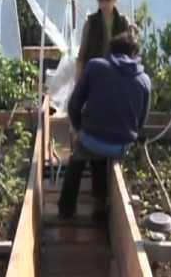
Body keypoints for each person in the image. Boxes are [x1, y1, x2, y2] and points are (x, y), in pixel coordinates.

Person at [58, 30, 151, 221]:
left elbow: (74, 103)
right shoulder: (144, 80)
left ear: (111, 50)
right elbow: (141, 121)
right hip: (121, 146)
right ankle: (100, 209)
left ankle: (66, 210)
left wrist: (78, 129)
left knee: (79, 157)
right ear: (134, 54)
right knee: (101, 151)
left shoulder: (95, 66)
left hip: (92, 139)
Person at [76, 0, 130, 80]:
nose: (104, 4)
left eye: (107, 0)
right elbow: (82, 53)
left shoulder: (123, 21)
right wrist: (78, 78)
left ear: (114, 1)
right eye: (101, 0)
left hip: (117, 71)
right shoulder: (90, 22)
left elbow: (130, 50)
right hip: (96, 71)